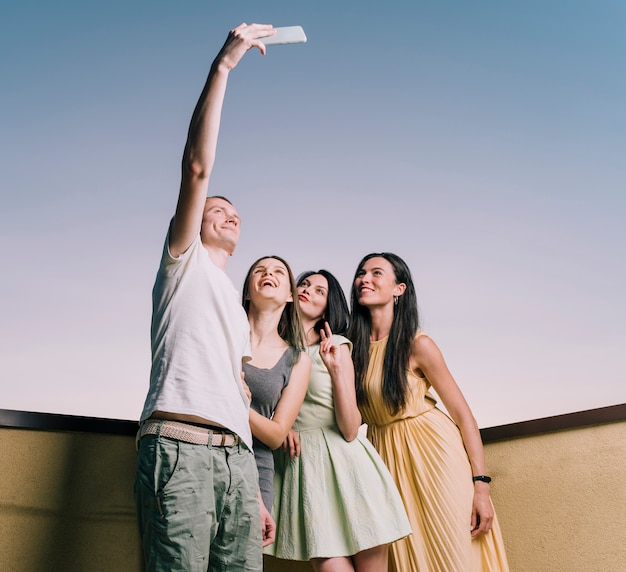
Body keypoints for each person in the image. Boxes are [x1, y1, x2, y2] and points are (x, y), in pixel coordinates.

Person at [134, 23, 280, 572]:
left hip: (238, 464)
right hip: (180, 447)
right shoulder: (182, 262)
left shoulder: (236, 314)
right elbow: (196, 165)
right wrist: (224, 66)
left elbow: (237, 398)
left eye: (233, 211)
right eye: (215, 208)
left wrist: (255, 489)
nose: (228, 212)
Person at [349, 253, 510, 572]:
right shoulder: (352, 349)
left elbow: (464, 416)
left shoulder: (417, 344)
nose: (365, 278)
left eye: (377, 273)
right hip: (386, 464)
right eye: (361, 273)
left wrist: (481, 486)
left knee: (453, 555)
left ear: (399, 289)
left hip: (435, 457)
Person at [267, 269, 412, 571]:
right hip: (304, 471)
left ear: (327, 308)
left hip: (350, 469)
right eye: (304, 284)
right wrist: (281, 427)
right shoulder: (272, 350)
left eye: (320, 291)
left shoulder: (337, 347)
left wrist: (335, 370)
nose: (307, 290)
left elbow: (349, 429)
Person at [240, 255, 311, 512]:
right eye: (259, 270)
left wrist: (236, 404)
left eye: (278, 271)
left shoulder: (298, 359)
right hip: (206, 452)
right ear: (248, 292)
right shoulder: (223, 336)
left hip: (256, 470)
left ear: (291, 295)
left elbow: (276, 436)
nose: (268, 273)